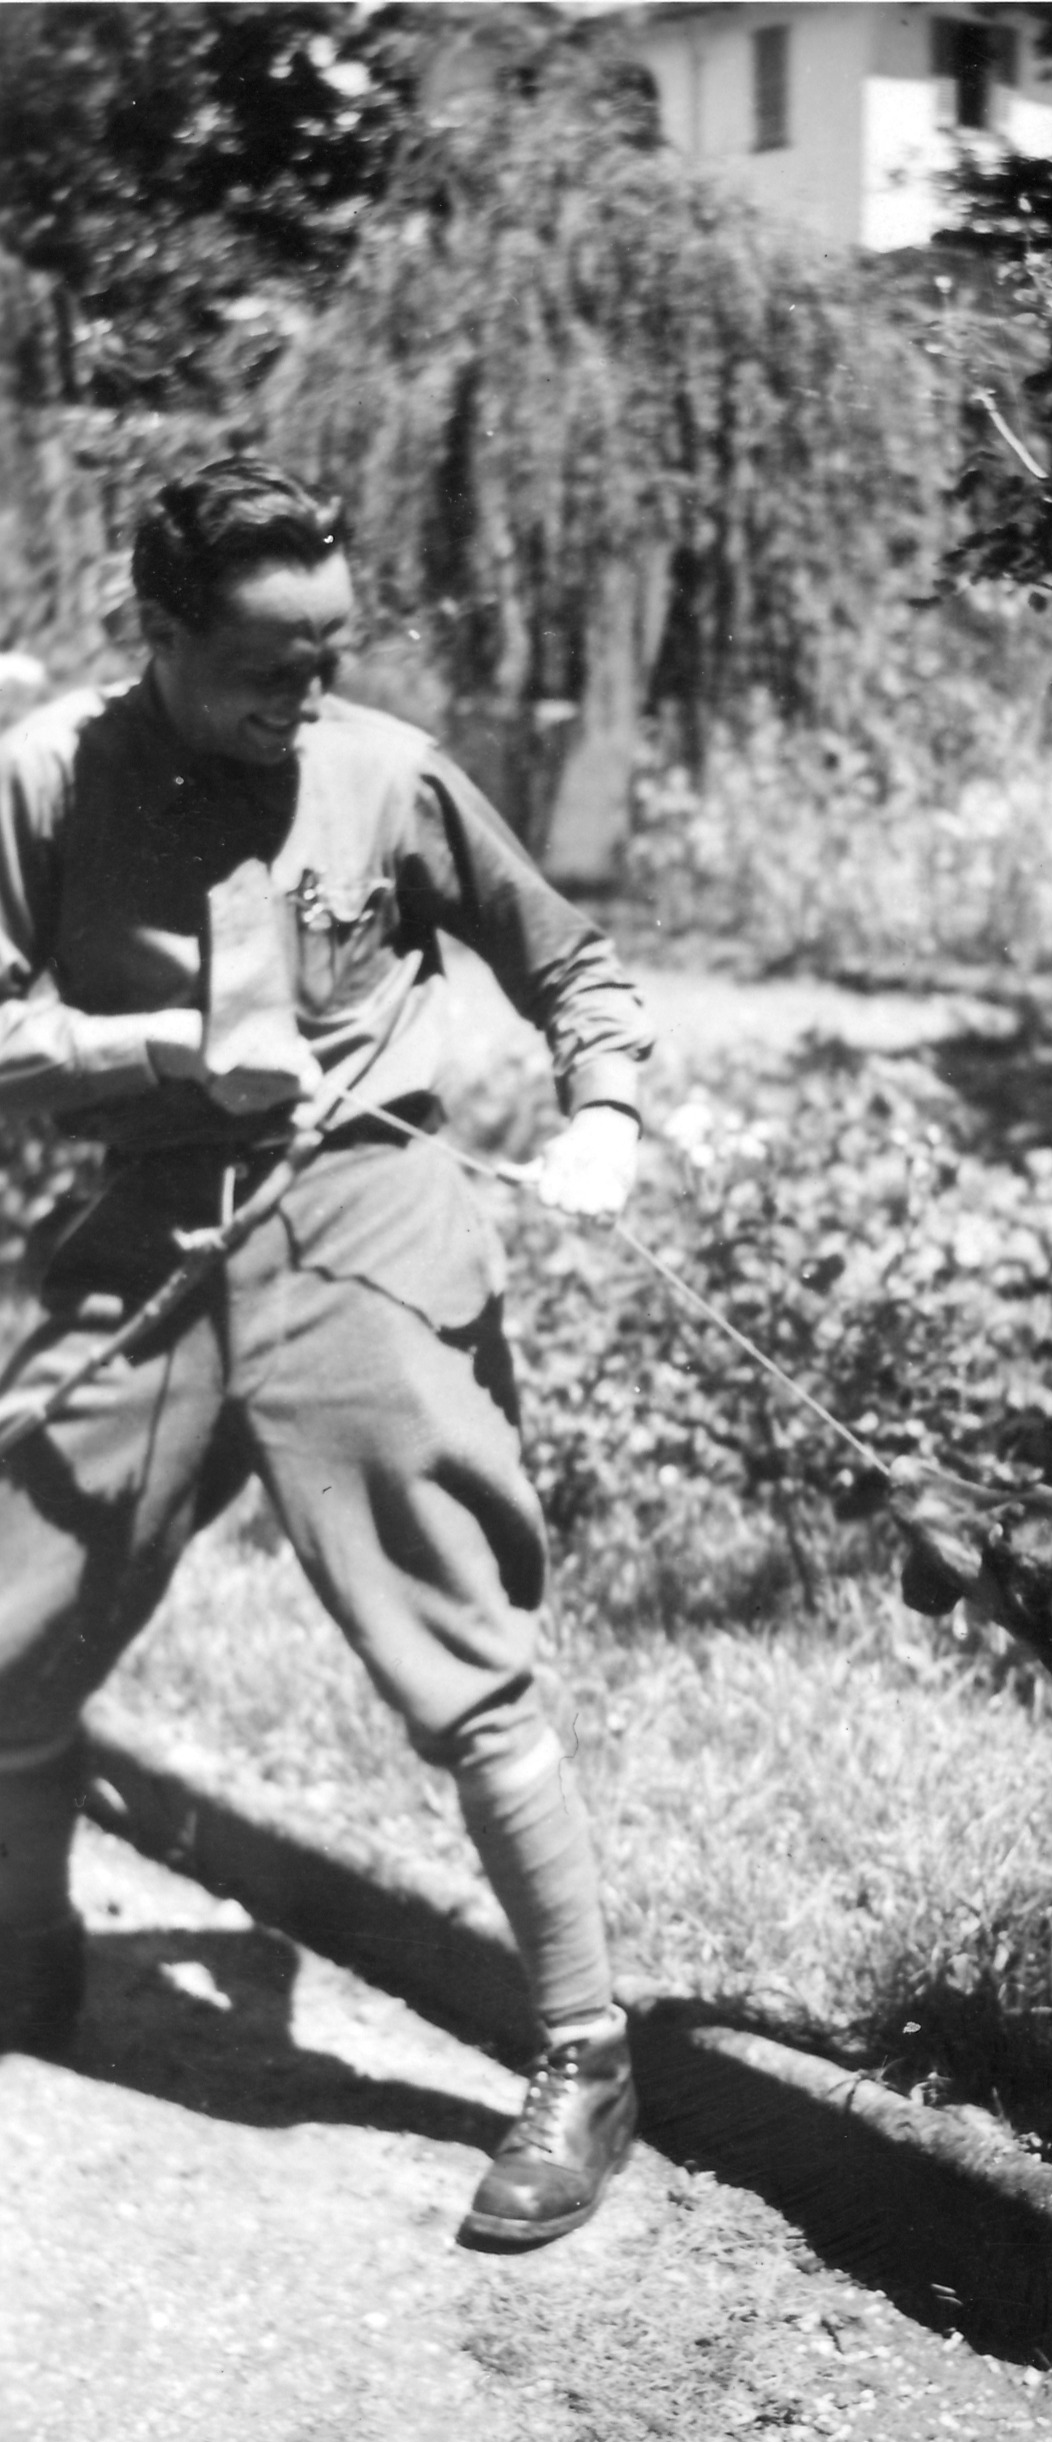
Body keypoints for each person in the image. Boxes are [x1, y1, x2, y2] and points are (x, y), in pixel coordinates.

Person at [0, 456, 653, 2250]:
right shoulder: (46, 777)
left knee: (456, 1656)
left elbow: (571, 966)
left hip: (364, 1218)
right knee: (11, 1628)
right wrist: (154, 1053)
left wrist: (604, 1110)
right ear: (155, 630)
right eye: (262, 666)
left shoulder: (386, 773)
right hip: (154, 1231)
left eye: (327, 657)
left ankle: (588, 2053)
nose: (303, 696)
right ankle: (27, 1950)